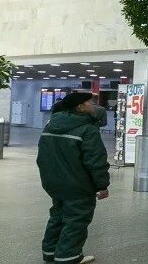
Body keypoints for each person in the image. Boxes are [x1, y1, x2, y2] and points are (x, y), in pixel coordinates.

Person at [37, 92, 109, 264]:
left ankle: (49, 253)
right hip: (77, 185)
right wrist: (102, 185)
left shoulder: (50, 125)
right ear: (80, 107)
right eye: (90, 102)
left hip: (53, 182)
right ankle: (68, 258)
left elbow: (42, 155)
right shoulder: (87, 129)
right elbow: (95, 161)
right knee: (76, 221)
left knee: (58, 216)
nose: (93, 105)